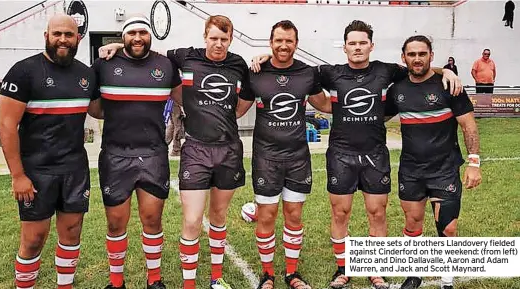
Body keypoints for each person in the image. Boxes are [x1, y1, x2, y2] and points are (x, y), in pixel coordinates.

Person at [251, 20, 461, 289]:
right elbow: (291, 65)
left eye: (363, 43)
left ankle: (375, 270)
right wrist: (268, 55)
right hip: (341, 154)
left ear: (371, 46)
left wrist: (447, 71)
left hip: (375, 154)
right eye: (353, 43)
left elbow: (418, 68)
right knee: (340, 214)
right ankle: (344, 268)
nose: (358, 48)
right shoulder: (329, 73)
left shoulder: (386, 71)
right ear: (345, 47)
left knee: (377, 213)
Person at [100, 15, 251, 289]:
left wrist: (262, 56)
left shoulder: (239, 64)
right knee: (192, 218)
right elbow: (145, 52)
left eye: (224, 38)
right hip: (193, 149)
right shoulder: (184, 57)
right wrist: (114, 47)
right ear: (205, 36)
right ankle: (187, 284)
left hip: (228, 149)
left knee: (218, 216)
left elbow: (244, 101)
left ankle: (216, 278)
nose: (218, 43)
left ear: (231, 39)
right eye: (213, 37)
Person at [0, 14, 96, 289]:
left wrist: (114, 55)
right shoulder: (24, 71)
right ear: (46, 36)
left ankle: (64, 285)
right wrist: (18, 175)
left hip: (75, 169)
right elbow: (7, 126)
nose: (63, 39)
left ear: (78, 38)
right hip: (37, 171)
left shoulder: (86, 74)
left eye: (69, 34)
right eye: (57, 34)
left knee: (72, 232)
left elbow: (100, 109)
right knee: (33, 239)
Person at [88, 15, 182, 289]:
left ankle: (154, 281)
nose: (138, 37)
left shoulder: (165, 65)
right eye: (132, 33)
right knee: (116, 224)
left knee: (152, 219)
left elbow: (183, 97)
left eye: (143, 32)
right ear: (123, 37)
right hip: (115, 154)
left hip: (153, 154)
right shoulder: (104, 64)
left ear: (151, 35)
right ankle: (116, 283)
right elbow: (95, 108)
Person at [236, 20, 332, 289]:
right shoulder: (255, 73)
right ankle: (267, 274)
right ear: (270, 42)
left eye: (289, 41)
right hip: (266, 158)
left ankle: (292, 273)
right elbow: (238, 110)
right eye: (278, 40)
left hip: (298, 157)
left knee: (293, 215)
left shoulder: (307, 73)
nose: (283, 45)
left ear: (296, 44)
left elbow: (325, 104)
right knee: (266, 217)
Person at [385, 35, 482, 289]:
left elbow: (468, 125)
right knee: (412, 223)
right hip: (411, 169)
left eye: (422, 54)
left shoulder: (449, 86)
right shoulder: (397, 90)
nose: (417, 59)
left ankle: (446, 280)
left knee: (447, 228)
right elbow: (377, 118)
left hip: (445, 168)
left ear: (431, 56)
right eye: (412, 54)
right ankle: (414, 273)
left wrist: (474, 162)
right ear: (403, 58)